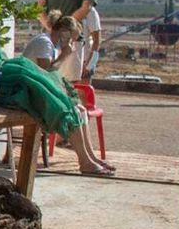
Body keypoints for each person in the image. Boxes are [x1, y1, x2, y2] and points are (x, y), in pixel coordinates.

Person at [22, 13, 114, 176]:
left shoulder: (52, 45)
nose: (71, 42)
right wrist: (65, 55)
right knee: (71, 111)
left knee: (82, 110)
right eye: (71, 38)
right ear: (63, 31)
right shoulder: (45, 43)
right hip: (29, 91)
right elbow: (45, 73)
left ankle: (90, 157)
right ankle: (84, 162)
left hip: (38, 89)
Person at [81, 4, 102, 81]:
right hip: (68, 62)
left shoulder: (90, 12)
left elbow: (97, 41)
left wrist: (88, 65)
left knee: (82, 91)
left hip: (84, 61)